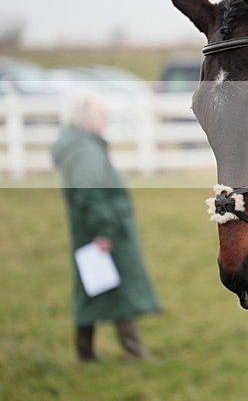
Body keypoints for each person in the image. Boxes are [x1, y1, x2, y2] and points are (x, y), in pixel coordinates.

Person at [51, 93, 160, 362]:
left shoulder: (81, 146)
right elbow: (90, 193)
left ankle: (86, 354)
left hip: (92, 229)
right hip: (101, 230)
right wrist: (103, 230)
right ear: (85, 118)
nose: (105, 120)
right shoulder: (85, 149)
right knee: (112, 286)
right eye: (101, 114)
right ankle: (132, 353)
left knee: (94, 286)